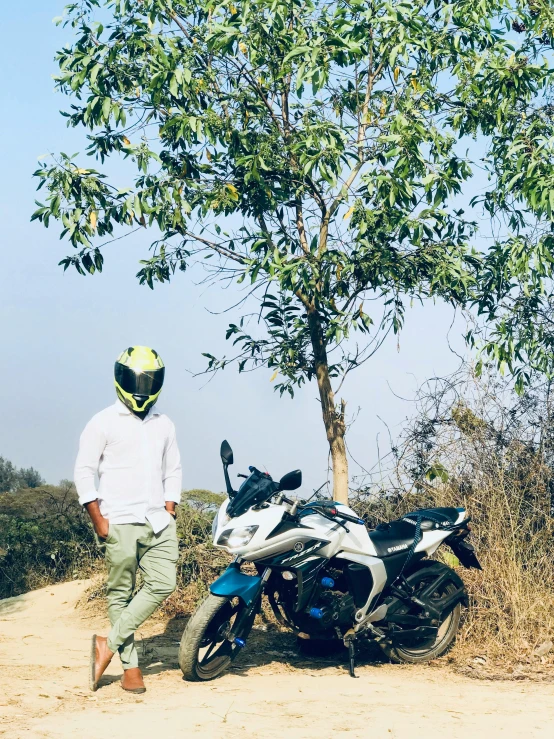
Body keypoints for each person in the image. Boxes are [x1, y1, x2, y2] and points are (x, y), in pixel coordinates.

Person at [74, 346, 182, 694]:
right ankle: (131, 668)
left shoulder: (164, 423)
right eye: (135, 377)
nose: (141, 385)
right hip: (117, 519)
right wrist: (98, 519)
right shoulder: (102, 421)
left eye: (148, 379)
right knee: (120, 593)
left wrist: (170, 509)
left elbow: (173, 469)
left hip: (158, 521)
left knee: (163, 583)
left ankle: (107, 643)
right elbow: (84, 471)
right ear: (120, 377)